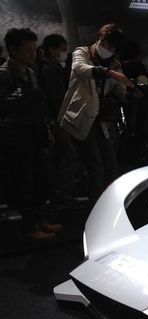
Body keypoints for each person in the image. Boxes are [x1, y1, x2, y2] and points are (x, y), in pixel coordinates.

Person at [58, 23, 136, 206]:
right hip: (81, 117)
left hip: (101, 119)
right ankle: (95, 205)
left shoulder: (115, 63)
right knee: (96, 166)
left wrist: (133, 92)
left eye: (114, 48)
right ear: (100, 39)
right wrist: (110, 73)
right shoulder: (82, 52)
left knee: (111, 166)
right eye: (108, 44)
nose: (110, 50)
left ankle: (108, 203)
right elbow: (80, 68)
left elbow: (120, 90)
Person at [0, 28, 61, 240]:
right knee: (23, 181)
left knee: (40, 178)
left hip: (34, 134)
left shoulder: (31, 73)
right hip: (16, 137)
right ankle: (29, 226)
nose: (33, 54)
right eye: (27, 50)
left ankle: (39, 219)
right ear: (13, 49)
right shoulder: (4, 74)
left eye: (34, 49)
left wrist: (46, 128)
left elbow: (37, 108)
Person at [38, 33, 83, 207]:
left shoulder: (52, 68)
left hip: (56, 120)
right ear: (51, 49)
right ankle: (61, 194)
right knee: (68, 157)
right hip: (58, 121)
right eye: (62, 49)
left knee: (61, 158)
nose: (65, 53)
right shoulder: (49, 70)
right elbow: (56, 100)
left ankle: (58, 194)